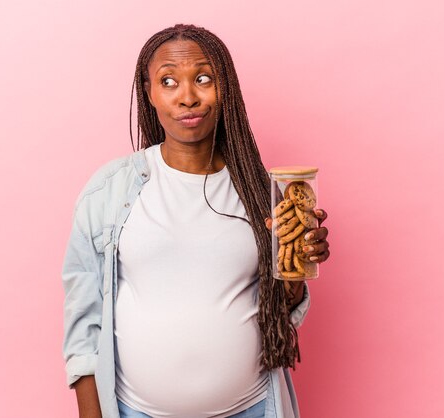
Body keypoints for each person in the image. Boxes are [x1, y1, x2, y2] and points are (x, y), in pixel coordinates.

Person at [62, 23, 330, 418]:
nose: (187, 97)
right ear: (149, 92)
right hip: (136, 411)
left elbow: (279, 310)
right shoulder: (109, 191)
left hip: (252, 408)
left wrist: (295, 267)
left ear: (226, 88)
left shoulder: (263, 192)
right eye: (168, 81)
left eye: (203, 78)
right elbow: (82, 326)